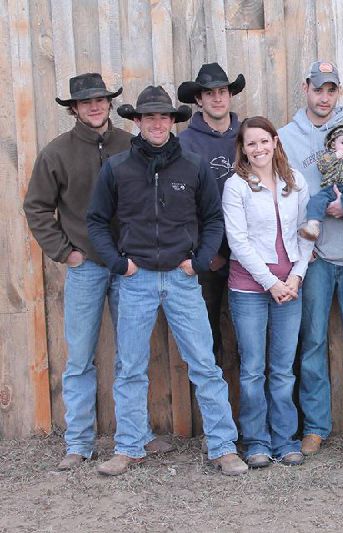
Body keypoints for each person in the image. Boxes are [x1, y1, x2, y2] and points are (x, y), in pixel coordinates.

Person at [86, 86, 246, 477]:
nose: (157, 124)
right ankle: (129, 446)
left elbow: (213, 219)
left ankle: (223, 447)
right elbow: (96, 221)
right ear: (137, 122)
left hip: (182, 279)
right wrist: (118, 264)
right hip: (136, 280)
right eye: (149, 117)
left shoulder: (193, 166)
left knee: (204, 365)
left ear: (173, 121)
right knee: (130, 368)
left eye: (164, 117)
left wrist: (199, 261)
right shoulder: (117, 168)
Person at [23, 73, 172, 470]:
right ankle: (78, 442)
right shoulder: (57, 153)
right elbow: (37, 207)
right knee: (80, 358)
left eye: (100, 99)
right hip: (86, 266)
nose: (94, 106)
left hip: (130, 267)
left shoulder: (130, 144)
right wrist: (64, 252)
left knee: (131, 355)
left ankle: (137, 435)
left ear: (109, 104)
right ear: (74, 108)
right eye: (85, 101)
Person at [278, 61, 343, 456]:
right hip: (314, 258)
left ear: (339, 92)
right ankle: (315, 426)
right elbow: (281, 192)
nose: (324, 97)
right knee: (313, 343)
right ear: (305, 88)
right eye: (318, 89)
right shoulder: (286, 138)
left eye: (331, 89)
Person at [222, 116, 313, 468]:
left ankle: (285, 439)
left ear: (275, 142)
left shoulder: (295, 181)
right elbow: (238, 242)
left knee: (283, 369)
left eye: (264, 141)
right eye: (251, 143)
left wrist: (296, 277)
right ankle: (257, 440)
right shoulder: (236, 186)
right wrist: (270, 282)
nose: (259, 148)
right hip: (249, 288)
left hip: (290, 286)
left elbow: (308, 231)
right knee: (252, 369)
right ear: (243, 149)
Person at [177, 62, 246, 369]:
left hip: (249, 254)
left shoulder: (248, 137)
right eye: (209, 93)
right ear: (199, 99)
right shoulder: (185, 143)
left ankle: (256, 402)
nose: (217, 98)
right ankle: (211, 401)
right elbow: (181, 202)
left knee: (253, 336)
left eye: (222, 91)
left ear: (230, 95)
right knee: (206, 339)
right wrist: (207, 251)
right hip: (207, 255)